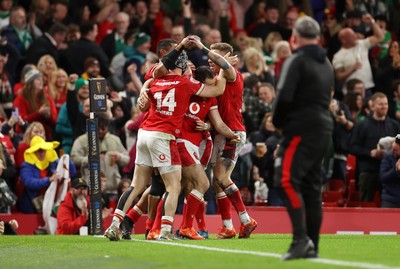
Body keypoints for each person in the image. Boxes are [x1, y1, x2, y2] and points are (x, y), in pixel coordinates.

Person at [104, 36, 228, 241]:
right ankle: (165, 231)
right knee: (173, 186)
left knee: (137, 185)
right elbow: (218, 89)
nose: (191, 69)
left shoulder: (154, 78)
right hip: (164, 136)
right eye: (187, 65)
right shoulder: (185, 83)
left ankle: (115, 225)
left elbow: (143, 104)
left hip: (144, 134)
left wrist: (145, 90)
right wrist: (222, 69)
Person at [272, 16, 334, 260]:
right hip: (323, 128)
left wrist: (278, 123)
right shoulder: (326, 62)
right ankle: (313, 246)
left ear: (294, 38)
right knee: (311, 188)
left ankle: (300, 240)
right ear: (317, 37)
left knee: (285, 181)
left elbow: (284, 96)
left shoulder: (296, 60)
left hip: (301, 128)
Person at [198, 41, 258, 239]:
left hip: (232, 133)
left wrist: (201, 46)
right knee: (217, 182)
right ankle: (227, 226)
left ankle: (246, 220)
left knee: (222, 177)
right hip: (220, 134)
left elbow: (223, 65)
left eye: (215, 56)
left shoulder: (231, 74)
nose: (209, 58)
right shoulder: (218, 78)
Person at [349, 92, 400, 202]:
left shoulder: (394, 125)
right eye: (380, 104)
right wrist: (370, 153)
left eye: (386, 104)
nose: (384, 107)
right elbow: (352, 147)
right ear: (373, 106)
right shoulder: (362, 125)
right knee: (366, 205)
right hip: (368, 171)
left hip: (390, 172)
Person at [18, 135, 76, 213]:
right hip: (33, 206)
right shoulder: (26, 166)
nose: (42, 152)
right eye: (39, 150)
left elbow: (72, 172)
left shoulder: (53, 162)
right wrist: (48, 180)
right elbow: (29, 182)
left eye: (44, 149)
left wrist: (66, 160)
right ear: (33, 152)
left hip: (52, 204)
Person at [379, 135, 400, 208]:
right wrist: (396, 170)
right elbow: (383, 178)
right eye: (393, 150)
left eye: (396, 150)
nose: (394, 152)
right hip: (390, 200)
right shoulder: (388, 157)